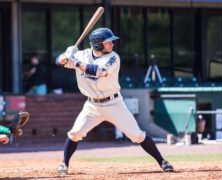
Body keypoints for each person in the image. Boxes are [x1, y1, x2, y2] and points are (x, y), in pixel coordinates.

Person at [56, 27, 174, 175]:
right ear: (98, 44)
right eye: (108, 42)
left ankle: (162, 161)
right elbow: (58, 62)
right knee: (75, 133)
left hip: (114, 104)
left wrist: (76, 63)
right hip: (92, 105)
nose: (112, 44)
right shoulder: (82, 55)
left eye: (111, 41)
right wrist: (66, 55)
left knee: (137, 135)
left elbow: (99, 71)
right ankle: (64, 164)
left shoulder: (113, 57)